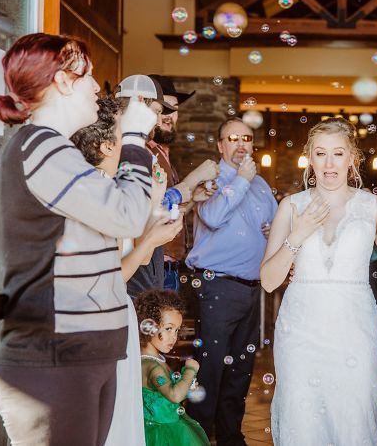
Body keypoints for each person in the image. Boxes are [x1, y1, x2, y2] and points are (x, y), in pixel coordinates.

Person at [0, 33, 156, 445]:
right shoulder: (38, 148)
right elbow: (128, 215)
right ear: (63, 81)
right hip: (55, 355)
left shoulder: (56, 151)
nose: (98, 88)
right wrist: (133, 140)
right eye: (89, 76)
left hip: (82, 350)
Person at [261, 117, 377, 445]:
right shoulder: (291, 207)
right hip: (301, 331)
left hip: (355, 329)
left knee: (353, 414)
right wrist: (298, 233)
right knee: (302, 416)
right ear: (309, 158)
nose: (329, 163)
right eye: (320, 154)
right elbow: (267, 280)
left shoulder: (374, 208)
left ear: (353, 158)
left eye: (338, 154)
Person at [71, 95, 185, 446]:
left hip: (118, 315)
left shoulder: (107, 190)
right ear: (107, 145)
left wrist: (154, 202)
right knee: (110, 417)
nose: (140, 145)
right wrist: (150, 241)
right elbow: (108, 276)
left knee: (120, 411)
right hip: (100, 317)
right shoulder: (93, 194)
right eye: (130, 136)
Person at [185, 117, 277, 444]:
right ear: (221, 145)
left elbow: (274, 227)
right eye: (232, 139)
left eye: (246, 138)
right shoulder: (210, 180)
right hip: (217, 289)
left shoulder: (261, 185)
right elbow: (210, 216)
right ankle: (197, 439)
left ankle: (230, 438)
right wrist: (240, 180)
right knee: (209, 372)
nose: (241, 145)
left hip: (251, 291)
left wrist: (272, 232)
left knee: (240, 373)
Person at [147, 75, 217, 291]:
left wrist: (191, 199)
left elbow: (166, 211)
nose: (169, 116)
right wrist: (195, 176)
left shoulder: (162, 153)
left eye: (174, 108)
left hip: (168, 267)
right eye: (163, 109)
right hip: (150, 265)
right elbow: (148, 209)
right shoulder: (141, 151)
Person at [135, 290, 210, 446]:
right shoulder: (153, 366)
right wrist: (190, 371)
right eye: (168, 328)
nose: (174, 336)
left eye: (177, 330)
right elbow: (175, 396)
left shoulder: (153, 360)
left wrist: (186, 385)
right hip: (163, 434)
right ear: (149, 327)